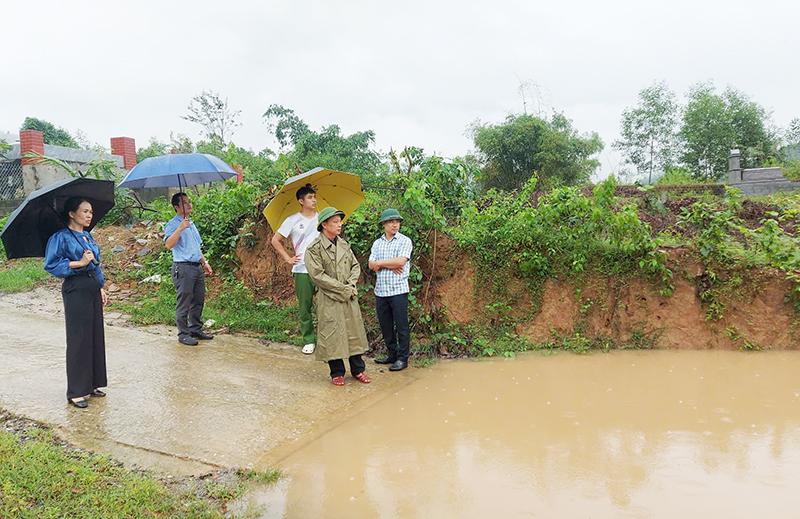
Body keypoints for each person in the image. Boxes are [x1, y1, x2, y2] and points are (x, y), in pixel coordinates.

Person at [44, 197, 109, 409]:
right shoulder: (60, 237)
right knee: (79, 338)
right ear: (72, 214)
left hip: (91, 287)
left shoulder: (87, 236)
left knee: (95, 335)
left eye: (91, 211)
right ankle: (76, 391)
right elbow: (51, 265)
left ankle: (92, 384)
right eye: (85, 211)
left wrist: (100, 287)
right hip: (75, 288)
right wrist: (79, 263)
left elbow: (96, 265)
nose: (89, 215)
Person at [304, 207, 371, 386]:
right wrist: (343, 289)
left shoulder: (344, 245)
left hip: (348, 296)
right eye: (335, 222)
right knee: (332, 333)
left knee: (352, 331)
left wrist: (350, 284)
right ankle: (337, 372)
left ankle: (358, 369)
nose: (339, 224)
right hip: (329, 298)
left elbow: (355, 266)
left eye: (340, 221)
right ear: (324, 225)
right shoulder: (313, 249)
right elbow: (318, 276)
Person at [270, 183, 319, 355]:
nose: (314, 200)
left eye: (314, 197)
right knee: (305, 306)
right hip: (301, 269)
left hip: (321, 269)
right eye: (310, 197)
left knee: (325, 305)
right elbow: (275, 240)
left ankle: (327, 339)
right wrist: (287, 258)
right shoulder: (292, 220)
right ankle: (309, 339)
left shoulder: (322, 219)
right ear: (301, 201)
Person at [163, 192, 214, 346]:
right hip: (183, 268)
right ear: (176, 207)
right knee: (184, 302)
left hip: (196, 266)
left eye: (189, 201)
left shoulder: (190, 223)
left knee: (198, 299)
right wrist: (179, 229)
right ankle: (183, 334)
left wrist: (204, 262)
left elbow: (196, 246)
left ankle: (195, 329)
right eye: (184, 202)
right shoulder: (173, 224)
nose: (189, 204)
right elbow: (168, 245)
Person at [368, 208, 413, 371]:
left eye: (397, 221)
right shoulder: (377, 243)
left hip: (399, 290)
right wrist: (388, 264)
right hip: (381, 291)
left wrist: (380, 264)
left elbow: (400, 262)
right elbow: (370, 264)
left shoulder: (405, 241)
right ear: (384, 224)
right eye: (392, 222)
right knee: (386, 326)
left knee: (401, 325)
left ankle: (403, 358)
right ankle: (391, 354)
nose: (395, 225)